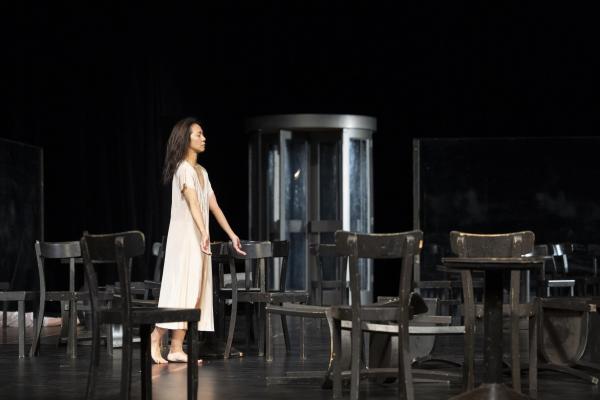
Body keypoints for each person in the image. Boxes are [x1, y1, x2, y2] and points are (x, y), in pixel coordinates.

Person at [150, 117, 245, 364]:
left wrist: (232, 234)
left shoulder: (202, 172)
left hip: (198, 240)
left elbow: (214, 206)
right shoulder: (183, 169)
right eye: (198, 134)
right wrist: (204, 232)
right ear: (186, 139)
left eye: (203, 134)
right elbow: (193, 203)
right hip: (185, 239)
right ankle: (156, 336)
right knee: (179, 291)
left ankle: (176, 348)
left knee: (194, 293)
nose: (204, 138)